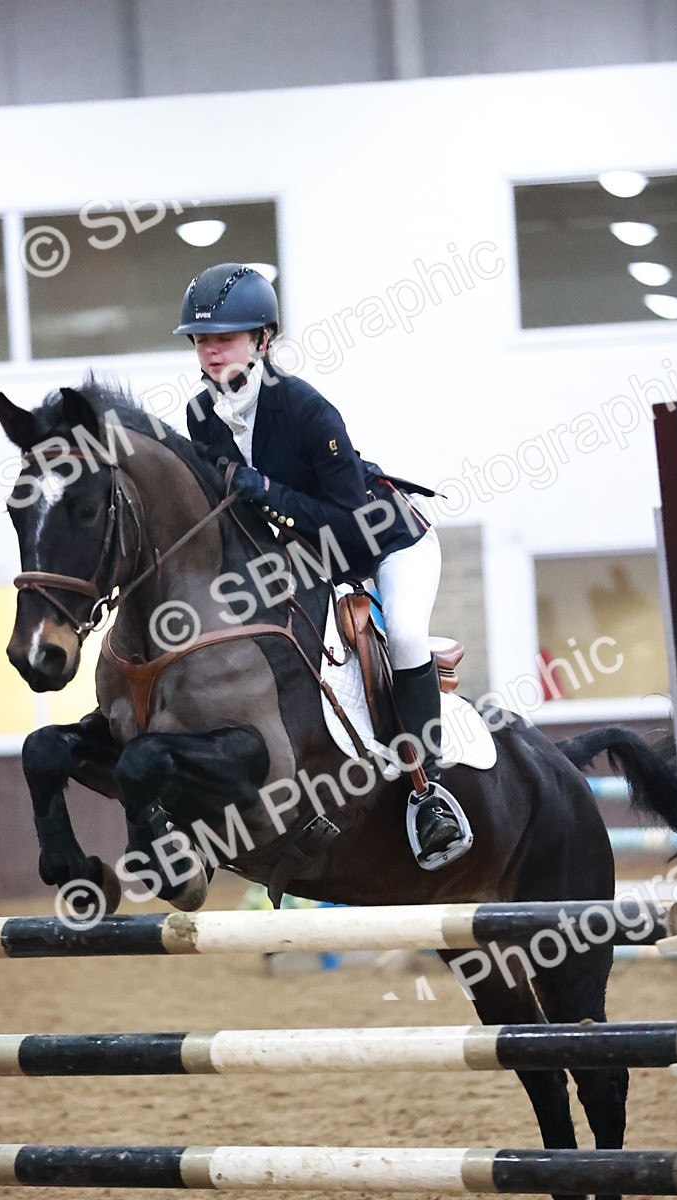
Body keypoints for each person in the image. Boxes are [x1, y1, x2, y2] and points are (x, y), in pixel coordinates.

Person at [174, 262, 469, 870]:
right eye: (202, 339)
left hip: (385, 545)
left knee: (407, 634)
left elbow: (346, 518)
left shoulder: (306, 410)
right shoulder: (200, 417)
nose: (210, 351)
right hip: (313, 560)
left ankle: (427, 792)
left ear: (262, 341)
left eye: (224, 337)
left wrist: (261, 488)